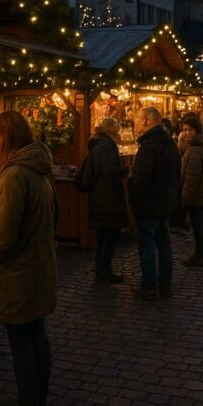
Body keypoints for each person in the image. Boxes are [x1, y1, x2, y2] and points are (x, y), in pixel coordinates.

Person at [0, 111, 57, 406]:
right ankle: (38, 400)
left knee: (22, 342)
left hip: (18, 275)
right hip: (37, 268)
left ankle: (29, 405)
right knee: (36, 334)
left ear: (8, 138)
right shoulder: (39, 170)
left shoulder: (14, 175)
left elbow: (4, 234)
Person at [128, 106, 181, 300]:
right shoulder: (170, 143)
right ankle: (165, 285)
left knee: (147, 244)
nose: (135, 124)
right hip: (165, 202)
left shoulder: (149, 146)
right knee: (164, 244)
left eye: (136, 120)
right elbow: (178, 172)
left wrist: (131, 188)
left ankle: (149, 285)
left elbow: (141, 179)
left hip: (149, 203)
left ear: (145, 121)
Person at [82, 118, 128, 283]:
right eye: (116, 128)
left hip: (99, 197)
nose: (119, 131)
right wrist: (124, 170)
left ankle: (100, 266)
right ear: (111, 130)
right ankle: (104, 269)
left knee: (103, 235)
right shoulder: (107, 147)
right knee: (110, 235)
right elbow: (109, 172)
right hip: (107, 198)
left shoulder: (98, 145)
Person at [179, 115, 203, 267]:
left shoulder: (194, 151)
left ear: (197, 131)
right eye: (185, 130)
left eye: (190, 130)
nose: (187, 133)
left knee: (199, 226)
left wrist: (185, 197)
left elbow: (191, 178)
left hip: (197, 194)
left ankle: (200, 254)